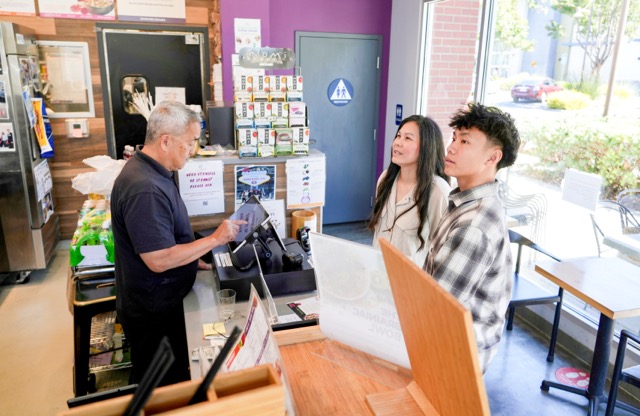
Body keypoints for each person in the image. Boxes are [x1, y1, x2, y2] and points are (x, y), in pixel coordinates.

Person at [111, 101, 245, 386]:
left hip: (161, 301)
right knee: (161, 386)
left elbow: (163, 235)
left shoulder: (153, 171)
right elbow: (158, 259)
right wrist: (214, 239)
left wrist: (192, 258)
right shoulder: (144, 188)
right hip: (152, 313)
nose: (193, 150)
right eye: (190, 143)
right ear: (166, 141)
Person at [424, 102, 520, 373]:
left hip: (455, 355)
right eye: (454, 138)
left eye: (465, 141)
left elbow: (435, 307)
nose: (451, 147)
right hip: (448, 341)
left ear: (492, 158)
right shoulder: (466, 203)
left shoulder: (474, 225)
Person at [369, 115, 451, 266]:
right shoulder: (385, 178)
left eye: (408, 138)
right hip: (377, 274)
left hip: (410, 283)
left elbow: (443, 251)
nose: (398, 143)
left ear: (427, 147)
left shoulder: (439, 192)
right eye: (398, 136)